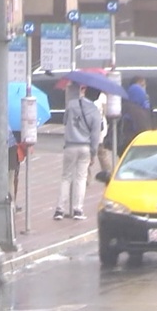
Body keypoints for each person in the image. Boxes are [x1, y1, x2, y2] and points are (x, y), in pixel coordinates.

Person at [55, 85, 102, 221]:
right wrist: (93, 152)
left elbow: (64, 121)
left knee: (66, 177)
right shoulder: (95, 111)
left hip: (70, 145)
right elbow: (95, 134)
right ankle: (78, 209)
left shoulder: (71, 105)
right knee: (81, 178)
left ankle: (59, 209)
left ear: (85, 91)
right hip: (86, 146)